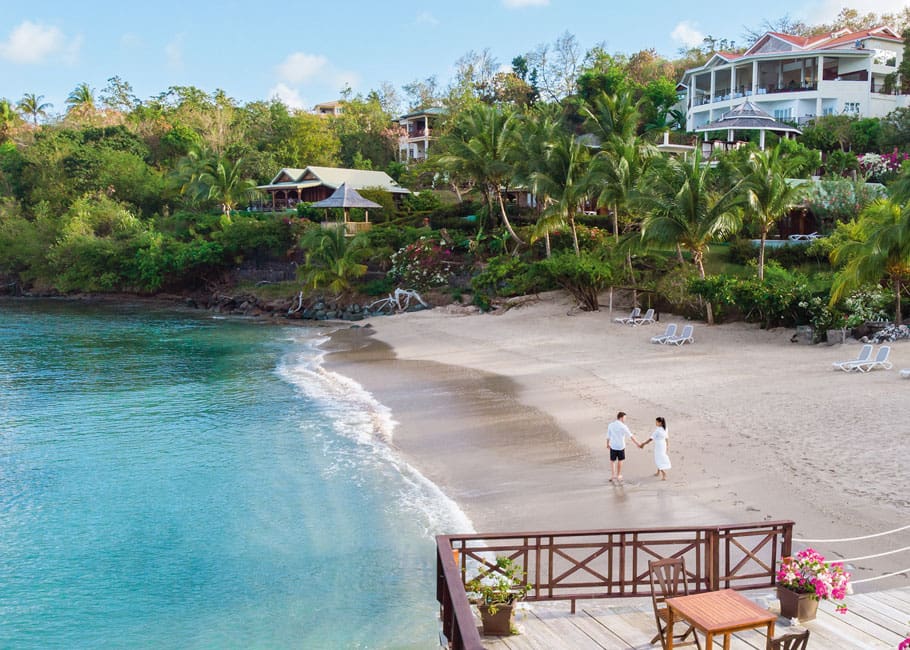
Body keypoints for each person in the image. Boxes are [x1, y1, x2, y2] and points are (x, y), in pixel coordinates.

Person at [606, 412, 641, 483]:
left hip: (613, 445)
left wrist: (607, 444)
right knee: (620, 460)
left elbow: (608, 435)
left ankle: (613, 476)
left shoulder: (611, 425)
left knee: (612, 461)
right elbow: (631, 436)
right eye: (625, 418)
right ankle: (618, 475)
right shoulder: (623, 426)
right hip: (620, 446)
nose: (625, 419)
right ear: (621, 417)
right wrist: (637, 444)